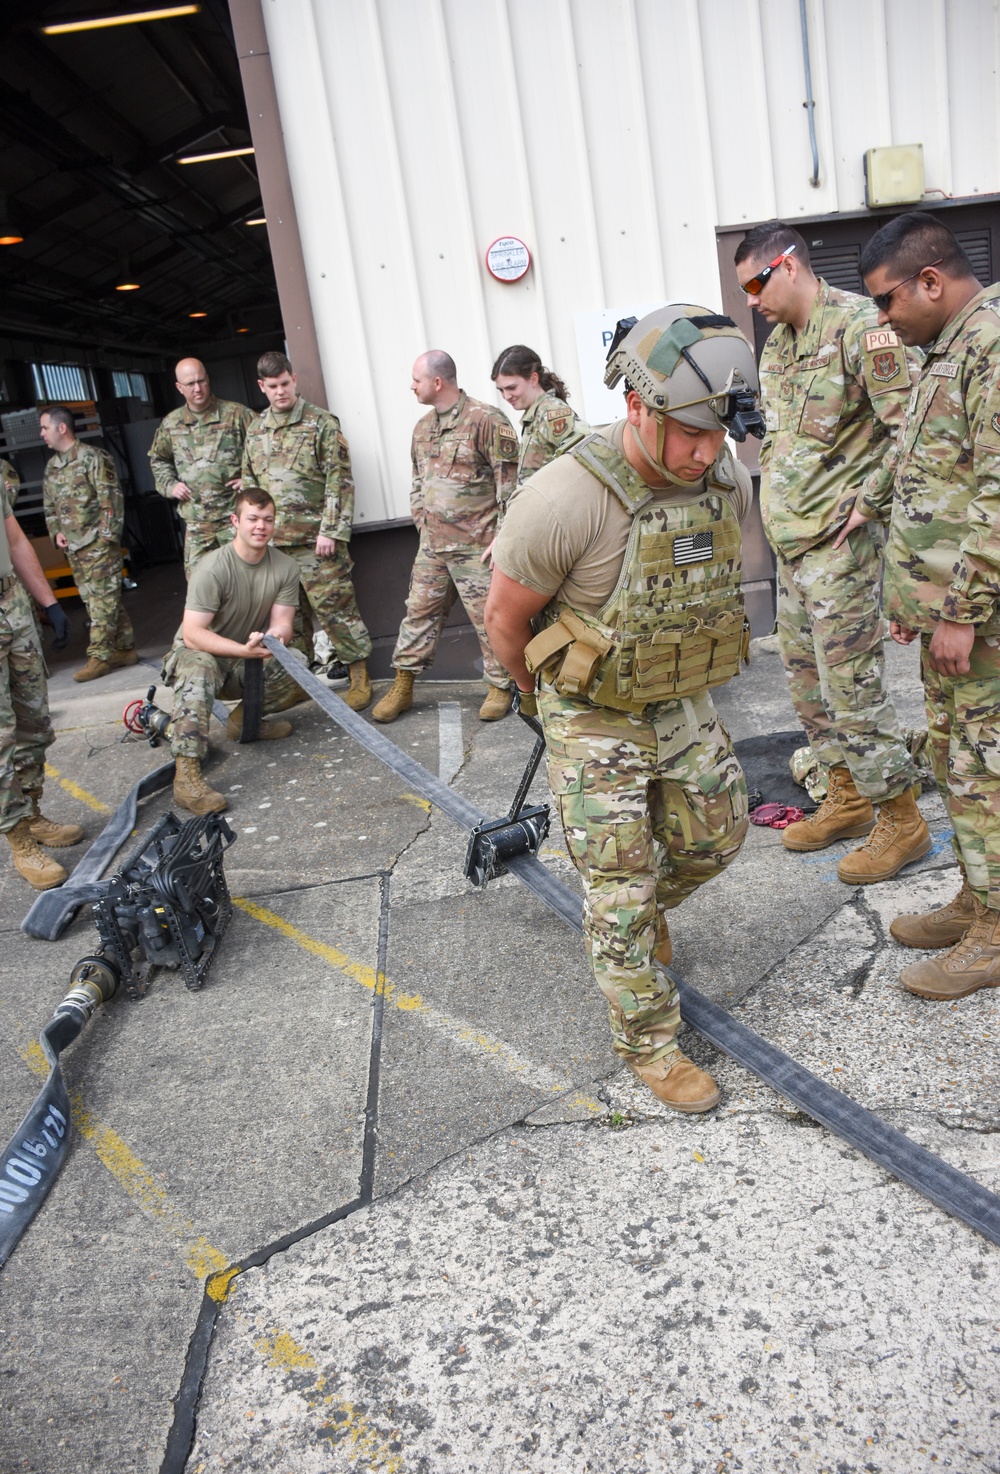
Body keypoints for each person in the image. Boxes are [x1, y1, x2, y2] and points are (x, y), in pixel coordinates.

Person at [485, 305, 763, 1112]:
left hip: (678, 692)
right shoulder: (562, 499)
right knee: (618, 883)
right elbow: (504, 623)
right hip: (592, 709)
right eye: (690, 433)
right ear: (638, 405)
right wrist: (551, 711)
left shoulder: (720, 475)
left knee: (719, 835)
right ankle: (648, 1039)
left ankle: (636, 927)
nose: (707, 453)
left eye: (719, 435)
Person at [733, 221, 930, 884]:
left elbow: (913, 432)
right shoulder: (778, 347)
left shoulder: (860, 329)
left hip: (841, 552)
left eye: (756, 283)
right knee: (806, 684)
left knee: (852, 690)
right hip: (794, 553)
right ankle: (846, 797)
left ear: (788, 266)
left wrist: (869, 504)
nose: (752, 299)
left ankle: (902, 821)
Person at [843, 211, 1000, 1000]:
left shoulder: (992, 350)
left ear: (930, 282)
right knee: (951, 758)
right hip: (951, 618)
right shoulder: (949, 349)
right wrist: (916, 595)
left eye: (885, 301)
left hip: (984, 625)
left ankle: (998, 933)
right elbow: (934, 482)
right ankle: (979, 897)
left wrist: (965, 611)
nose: (880, 320)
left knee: (981, 770)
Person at [372, 350, 519, 724]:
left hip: (478, 548)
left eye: (416, 380)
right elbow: (418, 482)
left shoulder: (485, 420)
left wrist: (502, 539)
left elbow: (511, 486)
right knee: (418, 613)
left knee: (490, 620)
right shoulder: (422, 428)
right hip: (433, 547)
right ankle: (403, 684)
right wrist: (423, 523)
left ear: (437, 382)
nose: (411, 386)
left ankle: (501, 686)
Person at [161, 488, 306, 815]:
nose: (261, 526)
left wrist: (271, 639)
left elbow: (283, 623)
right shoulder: (212, 568)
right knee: (201, 667)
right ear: (235, 521)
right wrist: (243, 649)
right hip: (198, 656)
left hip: (244, 656)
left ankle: (245, 723)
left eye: (268, 519)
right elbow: (193, 635)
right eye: (252, 519)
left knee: (295, 662)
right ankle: (186, 778)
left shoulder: (284, 567)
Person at [241, 352, 372, 710]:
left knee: (336, 610)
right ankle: (296, 682)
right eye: (273, 387)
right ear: (262, 387)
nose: (280, 392)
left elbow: (339, 480)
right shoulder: (255, 431)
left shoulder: (321, 423)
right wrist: (254, 539)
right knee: (288, 619)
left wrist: (330, 530)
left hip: (318, 543)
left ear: (293, 379)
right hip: (275, 548)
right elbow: (251, 489)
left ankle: (359, 673)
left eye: (285, 383)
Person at [1, 457, 81, 890]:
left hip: (12, 603)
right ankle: (18, 841)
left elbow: (13, 538)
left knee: (34, 721)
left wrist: (48, 602)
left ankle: (31, 814)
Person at [40, 405, 136, 684]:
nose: (42, 434)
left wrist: (107, 539)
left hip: (98, 543)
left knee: (101, 600)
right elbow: (50, 507)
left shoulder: (94, 458)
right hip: (74, 548)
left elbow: (111, 501)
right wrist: (56, 531)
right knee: (98, 598)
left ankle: (99, 655)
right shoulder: (52, 467)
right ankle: (126, 648)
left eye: (45, 427)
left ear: (61, 428)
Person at [148, 357, 254, 577]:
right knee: (201, 589)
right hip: (197, 524)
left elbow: (266, 450)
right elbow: (159, 459)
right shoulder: (171, 424)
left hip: (235, 517)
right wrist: (170, 485)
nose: (198, 388)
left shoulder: (237, 414)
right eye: (190, 384)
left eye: (202, 381)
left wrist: (250, 480)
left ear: (208, 379)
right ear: (179, 387)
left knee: (248, 584)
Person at [491, 344, 587, 481]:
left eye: (511, 387)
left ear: (533, 379)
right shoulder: (534, 415)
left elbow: (585, 455)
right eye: (501, 390)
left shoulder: (551, 411)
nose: (506, 396)